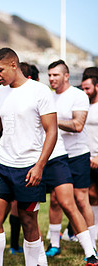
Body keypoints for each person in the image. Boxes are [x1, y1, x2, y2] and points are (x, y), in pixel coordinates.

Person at [0, 48, 57, 266]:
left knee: (28, 222)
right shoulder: (1, 92)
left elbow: (52, 131)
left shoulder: (39, 91)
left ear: (13, 65)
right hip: (1, 165)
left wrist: (39, 166)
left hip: (28, 168)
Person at [47, 60, 97, 260]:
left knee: (81, 199)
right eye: (49, 75)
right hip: (56, 155)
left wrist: (52, 120)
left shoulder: (78, 95)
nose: (52, 79)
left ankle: (91, 246)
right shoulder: (48, 98)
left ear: (66, 76)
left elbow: (78, 125)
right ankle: (54, 244)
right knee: (55, 200)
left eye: (56, 75)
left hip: (77, 155)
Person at [82, 67, 98, 242]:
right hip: (88, 158)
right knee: (92, 195)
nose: (84, 92)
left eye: (88, 88)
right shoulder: (84, 105)